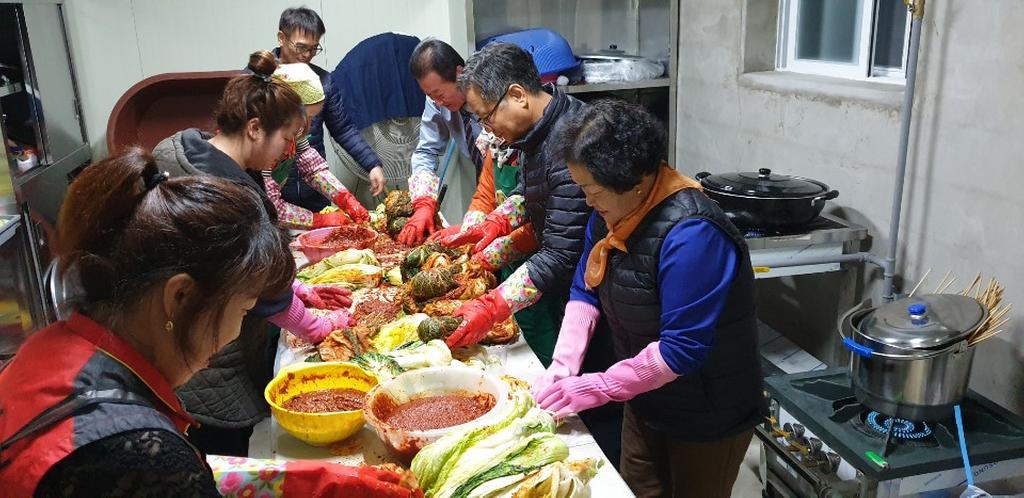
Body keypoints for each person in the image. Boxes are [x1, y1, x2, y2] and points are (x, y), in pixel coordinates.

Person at [0, 149, 418, 497]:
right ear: (179, 297)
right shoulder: (135, 454)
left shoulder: (53, 346)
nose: (236, 333)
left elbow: (190, 470)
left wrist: (324, 481)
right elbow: (168, 468)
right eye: (242, 309)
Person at [530, 99, 767, 498]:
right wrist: (563, 367)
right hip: (644, 397)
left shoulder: (693, 234)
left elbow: (680, 352)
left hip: (707, 414)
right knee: (635, 489)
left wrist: (598, 386)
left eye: (592, 189)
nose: (587, 201)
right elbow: (585, 289)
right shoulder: (609, 213)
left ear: (634, 180)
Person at [153, 51, 352, 456]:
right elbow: (258, 286)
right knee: (218, 458)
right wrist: (312, 326)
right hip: (207, 361)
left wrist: (299, 290)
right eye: (287, 139)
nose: (290, 151)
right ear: (256, 128)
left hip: (179, 347)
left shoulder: (183, 153)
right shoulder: (228, 194)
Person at [437, 42, 590, 357]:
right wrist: (496, 221)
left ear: (518, 95)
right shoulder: (537, 131)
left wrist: (494, 305)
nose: (487, 130)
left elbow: (561, 254)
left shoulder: (571, 143)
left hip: (588, 286)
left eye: (487, 117)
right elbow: (531, 192)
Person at [272, 6, 387, 203]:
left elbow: (342, 129)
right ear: (281, 38)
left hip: (315, 190)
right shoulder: (259, 79)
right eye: (301, 47)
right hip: (273, 190)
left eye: (314, 48)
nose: (307, 55)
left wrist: (372, 164)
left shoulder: (323, 81)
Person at [261, 62, 370, 229]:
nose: (310, 125)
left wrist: (345, 199)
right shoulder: (263, 142)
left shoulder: (294, 132)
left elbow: (312, 168)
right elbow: (272, 209)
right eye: (308, 118)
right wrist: (318, 220)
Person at [397, 39, 484, 246]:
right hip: (485, 182)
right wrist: (424, 202)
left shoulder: (489, 96)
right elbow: (426, 151)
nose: (438, 103)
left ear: (459, 73)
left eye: (439, 94)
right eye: (430, 96)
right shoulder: (437, 101)